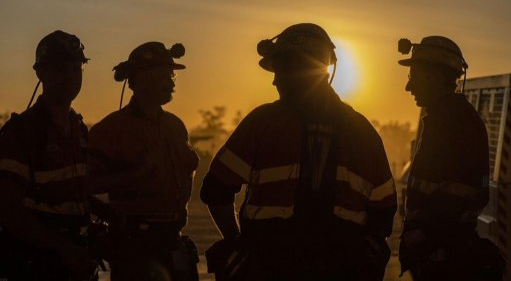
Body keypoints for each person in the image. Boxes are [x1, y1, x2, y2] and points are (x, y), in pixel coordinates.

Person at [201, 23, 397, 281]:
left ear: (302, 70)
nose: (274, 80)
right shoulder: (363, 132)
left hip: (269, 264)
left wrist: (238, 243)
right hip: (342, 266)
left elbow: (215, 190)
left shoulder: (262, 123)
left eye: (281, 70)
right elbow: (383, 213)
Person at [88, 41, 200, 281]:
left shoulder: (176, 126)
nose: (170, 82)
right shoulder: (111, 130)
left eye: (171, 75)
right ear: (137, 80)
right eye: (162, 75)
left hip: (173, 240)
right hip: (134, 247)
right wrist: (136, 174)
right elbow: (84, 186)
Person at [398, 36, 506, 280]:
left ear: (434, 77)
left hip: (445, 263)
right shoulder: (444, 121)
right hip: (436, 256)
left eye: (414, 76)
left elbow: (466, 195)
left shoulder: (456, 125)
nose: (409, 86)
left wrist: (424, 233)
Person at [0, 30, 98, 281]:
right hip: (35, 263)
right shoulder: (21, 132)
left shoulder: (78, 129)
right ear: (40, 73)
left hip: (76, 258)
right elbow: (8, 209)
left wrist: (107, 215)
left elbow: (73, 191)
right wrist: (61, 247)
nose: (70, 78)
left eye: (76, 70)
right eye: (61, 70)